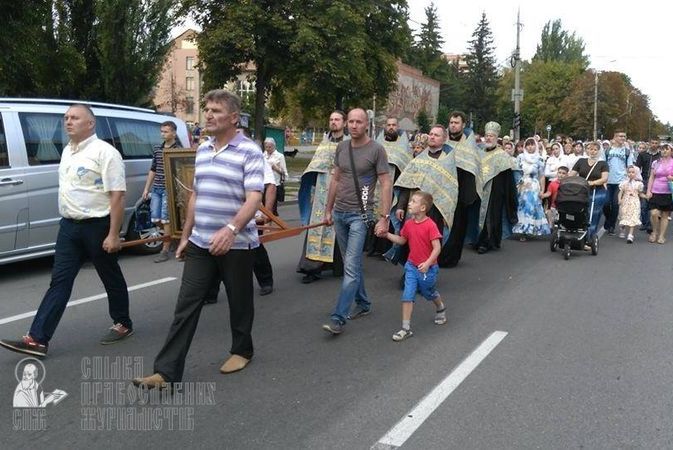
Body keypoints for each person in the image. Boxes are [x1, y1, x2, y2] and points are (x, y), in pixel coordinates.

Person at [132, 89, 264, 389]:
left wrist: (230, 230)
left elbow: (254, 198)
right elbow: (195, 195)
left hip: (237, 244)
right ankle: (165, 372)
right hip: (201, 243)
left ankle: (242, 350)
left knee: (240, 301)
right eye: (207, 109)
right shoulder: (203, 150)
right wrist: (185, 235)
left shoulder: (250, 151)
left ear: (233, 118)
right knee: (186, 305)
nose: (208, 114)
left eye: (216, 110)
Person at [0, 104, 133, 357]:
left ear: (90, 124)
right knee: (59, 281)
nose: (68, 122)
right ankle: (37, 339)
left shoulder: (106, 153)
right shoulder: (68, 152)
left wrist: (114, 234)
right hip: (69, 227)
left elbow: (117, 195)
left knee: (110, 275)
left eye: (74, 118)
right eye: (66, 118)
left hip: (98, 226)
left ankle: (123, 322)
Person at [321, 108, 392, 335]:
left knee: (350, 267)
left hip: (360, 216)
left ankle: (338, 317)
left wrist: (384, 217)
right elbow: (335, 179)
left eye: (358, 122)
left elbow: (385, 183)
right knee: (351, 265)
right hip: (340, 213)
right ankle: (363, 303)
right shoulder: (342, 147)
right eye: (350, 121)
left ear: (366, 124)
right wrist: (328, 209)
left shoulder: (376, 150)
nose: (353, 125)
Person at [378, 191, 446, 341]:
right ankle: (405, 328)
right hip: (411, 266)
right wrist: (387, 235)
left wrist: (428, 263)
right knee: (407, 295)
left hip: (429, 269)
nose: (409, 203)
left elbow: (437, 248)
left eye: (413, 201)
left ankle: (440, 307)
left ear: (422, 208)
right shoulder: (409, 224)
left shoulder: (430, 225)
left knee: (429, 292)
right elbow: (402, 240)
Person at [296, 111, 346, 284]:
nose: (333, 122)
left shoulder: (348, 143)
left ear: (344, 123)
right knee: (317, 226)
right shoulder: (324, 143)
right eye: (331, 119)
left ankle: (338, 265)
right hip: (320, 193)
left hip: (341, 191)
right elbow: (313, 167)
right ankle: (312, 268)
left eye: (337, 119)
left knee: (337, 227)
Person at [442, 111, 481, 267]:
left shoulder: (469, 146)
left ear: (463, 125)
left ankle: (452, 257)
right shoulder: (442, 142)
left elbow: (474, 170)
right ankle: (438, 255)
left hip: (461, 193)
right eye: (451, 122)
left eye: (456, 123)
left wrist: (468, 197)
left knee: (457, 225)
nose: (453, 125)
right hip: (442, 190)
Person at [370, 116, 412, 256]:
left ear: (398, 127)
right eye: (389, 125)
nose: (391, 127)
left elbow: (407, 168)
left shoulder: (403, 146)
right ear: (385, 127)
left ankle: (387, 247)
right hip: (376, 186)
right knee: (375, 211)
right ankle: (373, 247)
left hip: (394, 186)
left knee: (389, 212)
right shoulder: (377, 144)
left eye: (394, 125)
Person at [475, 121, 518, 254]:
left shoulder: (502, 156)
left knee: (491, 217)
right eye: (487, 135)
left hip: (495, 191)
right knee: (478, 215)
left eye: (491, 136)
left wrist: (507, 194)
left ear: (496, 138)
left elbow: (508, 179)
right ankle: (478, 239)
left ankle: (488, 241)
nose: (488, 138)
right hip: (479, 189)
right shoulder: (479, 153)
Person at [142, 121, 181, 263]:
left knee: (166, 219)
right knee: (155, 218)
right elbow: (153, 168)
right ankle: (172, 238)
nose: (162, 134)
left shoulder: (178, 149)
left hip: (169, 189)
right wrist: (147, 188)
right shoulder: (158, 148)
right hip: (157, 188)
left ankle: (165, 249)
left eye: (166, 131)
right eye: (162, 131)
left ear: (173, 133)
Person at [569, 141, 609, 241]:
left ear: (599, 151)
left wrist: (593, 182)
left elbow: (604, 178)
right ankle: (580, 232)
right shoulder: (581, 161)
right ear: (587, 150)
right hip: (582, 190)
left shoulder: (602, 163)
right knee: (581, 211)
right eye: (591, 149)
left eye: (595, 150)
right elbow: (571, 174)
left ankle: (590, 236)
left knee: (593, 213)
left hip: (597, 190)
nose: (593, 151)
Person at [512, 138, 550, 239]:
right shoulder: (520, 157)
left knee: (531, 206)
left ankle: (530, 229)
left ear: (536, 146)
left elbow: (542, 176)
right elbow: (516, 172)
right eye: (528, 145)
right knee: (522, 206)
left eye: (532, 144)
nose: (530, 147)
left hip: (533, 185)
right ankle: (522, 229)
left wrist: (542, 190)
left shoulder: (540, 159)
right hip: (521, 184)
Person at [604, 131, 635, 235]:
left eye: (624, 136)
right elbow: (603, 165)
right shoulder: (607, 150)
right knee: (606, 203)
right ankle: (608, 220)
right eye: (620, 136)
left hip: (621, 182)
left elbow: (629, 167)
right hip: (608, 181)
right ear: (614, 137)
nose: (623, 138)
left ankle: (611, 225)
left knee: (616, 204)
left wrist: (630, 181)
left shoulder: (627, 151)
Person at [645, 143, 673, 244]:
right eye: (662, 149)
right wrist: (648, 190)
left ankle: (661, 236)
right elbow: (652, 177)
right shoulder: (656, 162)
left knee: (665, 215)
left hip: (668, 192)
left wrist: (671, 178)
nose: (664, 151)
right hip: (656, 191)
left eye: (667, 149)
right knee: (654, 213)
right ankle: (654, 232)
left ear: (671, 151)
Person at [635, 140, 660, 232]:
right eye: (652, 143)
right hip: (645, 180)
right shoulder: (643, 154)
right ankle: (645, 223)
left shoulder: (660, 155)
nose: (654, 145)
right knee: (644, 204)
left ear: (658, 144)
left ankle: (651, 224)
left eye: (656, 143)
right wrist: (638, 178)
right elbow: (637, 167)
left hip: (658, 181)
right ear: (649, 144)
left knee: (655, 203)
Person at [618, 166, 645, 243]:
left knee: (633, 216)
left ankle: (630, 235)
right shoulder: (624, 183)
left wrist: (646, 197)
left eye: (633, 172)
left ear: (636, 173)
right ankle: (622, 228)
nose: (631, 174)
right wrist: (619, 200)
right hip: (625, 201)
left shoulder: (638, 184)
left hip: (635, 202)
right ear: (627, 173)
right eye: (629, 172)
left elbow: (640, 194)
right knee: (623, 216)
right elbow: (621, 192)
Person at [263, 137, 288, 215]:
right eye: (266, 147)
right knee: (263, 208)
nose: (268, 149)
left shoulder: (280, 156)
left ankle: (271, 225)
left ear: (274, 146)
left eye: (270, 147)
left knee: (272, 208)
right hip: (263, 184)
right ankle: (265, 225)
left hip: (275, 185)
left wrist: (275, 168)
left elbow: (285, 173)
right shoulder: (262, 155)